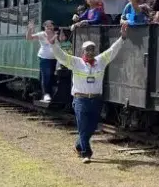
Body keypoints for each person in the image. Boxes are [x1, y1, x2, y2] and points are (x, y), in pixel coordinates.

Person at [47, 22, 128, 163]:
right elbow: (62, 56)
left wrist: (122, 38)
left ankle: (78, 146)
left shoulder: (101, 61)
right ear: (82, 51)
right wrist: (53, 44)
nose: (90, 52)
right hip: (80, 100)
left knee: (92, 127)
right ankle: (86, 153)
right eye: (87, 50)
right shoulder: (76, 62)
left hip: (95, 100)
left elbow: (112, 50)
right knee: (83, 127)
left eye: (92, 49)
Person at [25, 19, 58, 103]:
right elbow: (29, 38)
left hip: (56, 58)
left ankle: (53, 93)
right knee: (46, 75)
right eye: (47, 26)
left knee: (53, 76)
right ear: (44, 27)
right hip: (45, 58)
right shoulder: (41, 34)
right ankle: (46, 94)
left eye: (51, 26)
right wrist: (30, 29)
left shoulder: (56, 34)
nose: (49, 27)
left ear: (53, 26)